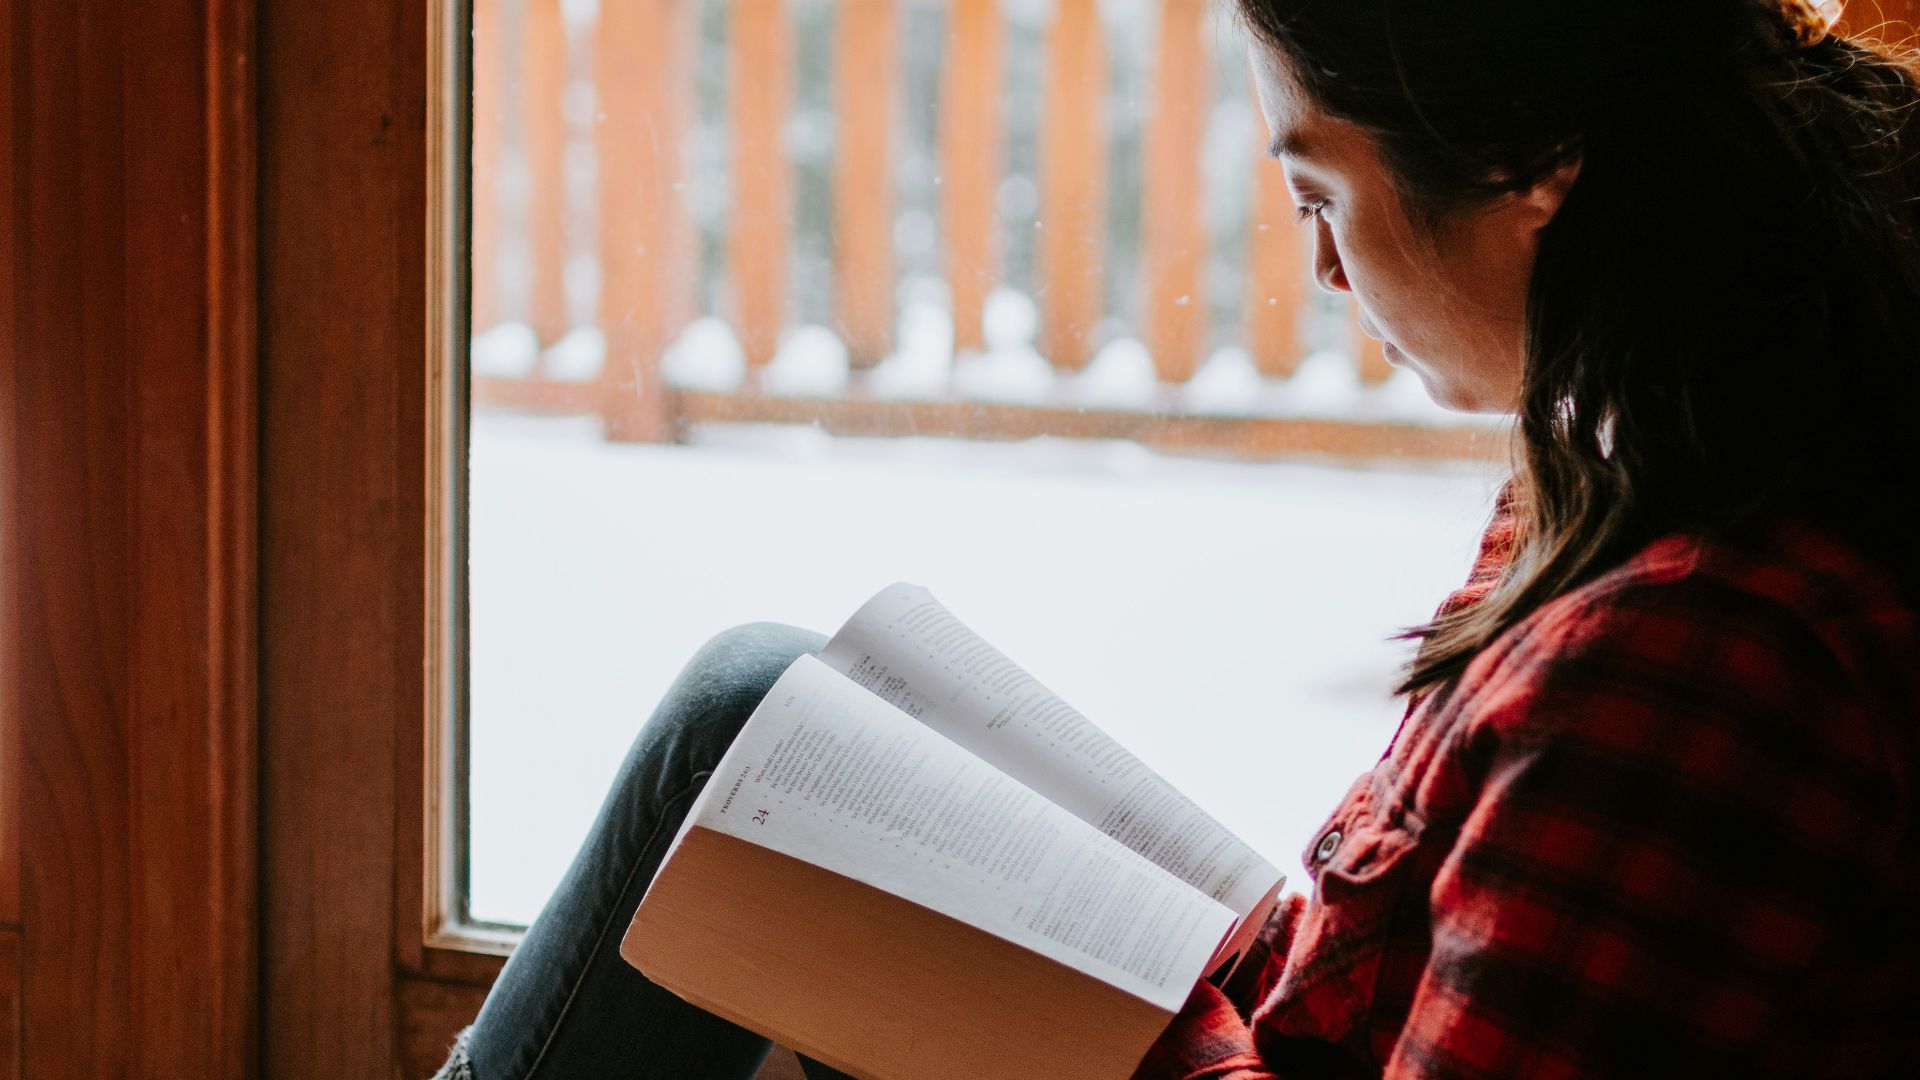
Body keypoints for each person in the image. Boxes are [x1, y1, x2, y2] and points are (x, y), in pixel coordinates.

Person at [435, 0, 1920, 1076]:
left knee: (752, 765)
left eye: (1319, 192)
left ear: (1535, 165)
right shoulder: (1639, 470)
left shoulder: (1692, 665)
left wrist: (1141, 1023)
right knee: (757, 706)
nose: (1323, 266)